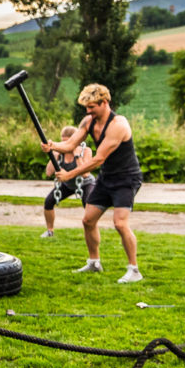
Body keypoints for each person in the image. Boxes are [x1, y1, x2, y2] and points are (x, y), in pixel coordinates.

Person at [42, 84, 144, 284]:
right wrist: (53, 145)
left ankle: (134, 270)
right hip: (106, 178)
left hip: (126, 179)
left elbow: (98, 159)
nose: (88, 112)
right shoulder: (89, 121)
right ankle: (94, 262)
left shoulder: (118, 125)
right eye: (86, 108)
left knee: (120, 223)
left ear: (104, 102)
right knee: (88, 220)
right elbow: (71, 144)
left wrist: (70, 173)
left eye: (92, 107)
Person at [39, 125, 96, 238]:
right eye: (63, 141)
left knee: (88, 205)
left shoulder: (86, 151)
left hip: (85, 183)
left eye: (68, 142)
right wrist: (54, 156)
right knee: (49, 202)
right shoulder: (59, 154)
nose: (65, 145)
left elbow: (85, 174)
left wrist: (77, 155)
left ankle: (91, 233)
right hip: (67, 184)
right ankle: (50, 231)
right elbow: (48, 173)